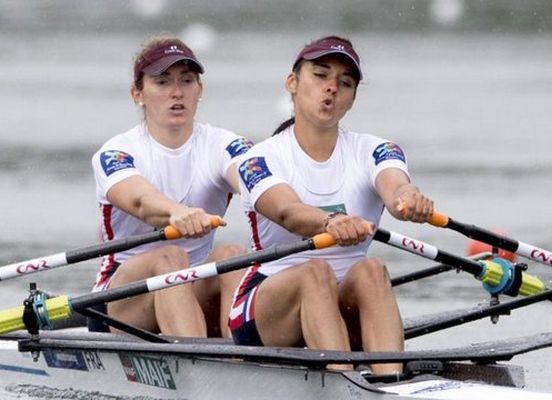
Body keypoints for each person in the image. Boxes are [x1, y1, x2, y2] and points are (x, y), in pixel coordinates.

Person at [228, 36, 433, 374]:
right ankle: (345, 383)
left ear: (352, 98)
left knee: (371, 269)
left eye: (345, 83)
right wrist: (329, 222)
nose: (332, 88)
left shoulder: (376, 150)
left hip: (343, 306)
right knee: (315, 272)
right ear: (292, 83)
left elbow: (396, 187)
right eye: (320, 75)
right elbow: (286, 211)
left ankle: (390, 382)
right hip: (266, 311)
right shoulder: (257, 159)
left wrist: (409, 199)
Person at [90, 37, 253, 338]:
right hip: (120, 301)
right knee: (170, 257)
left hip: (191, 287)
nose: (177, 92)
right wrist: (176, 212)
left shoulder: (225, 145)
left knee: (232, 254)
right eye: (162, 82)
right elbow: (140, 201)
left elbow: (259, 185)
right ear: (137, 93)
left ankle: (242, 365)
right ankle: (199, 370)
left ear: (199, 90)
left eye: (187, 81)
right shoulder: (116, 153)